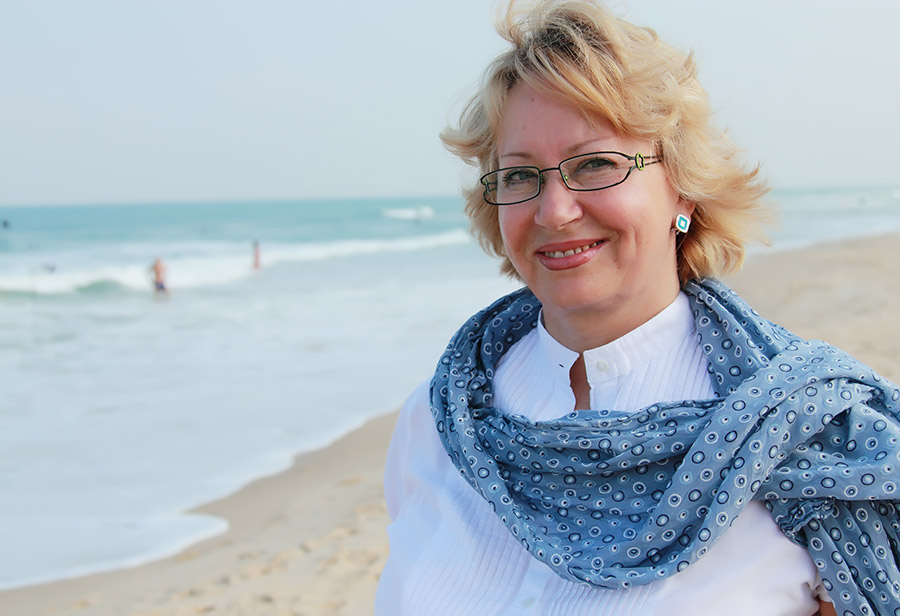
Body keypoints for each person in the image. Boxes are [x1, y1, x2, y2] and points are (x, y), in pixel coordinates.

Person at [375, 2, 900, 615]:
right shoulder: (439, 422)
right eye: (520, 177)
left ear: (682, 185)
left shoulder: (816, 440)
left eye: (595, 164)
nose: (554, 211)